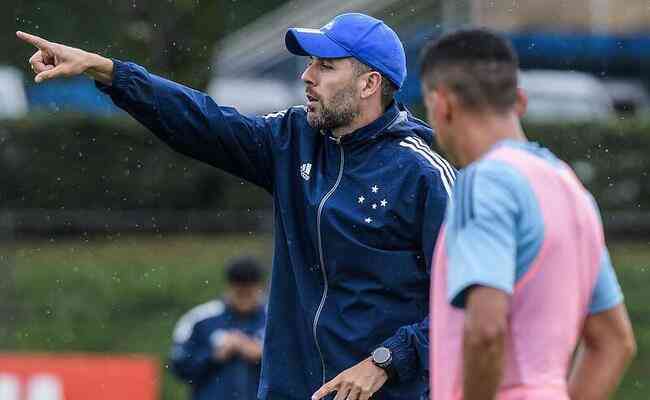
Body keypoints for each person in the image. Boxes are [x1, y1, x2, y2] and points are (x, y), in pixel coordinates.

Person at [17, 12, 454, 400]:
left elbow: (464, 304)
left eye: (325, 65)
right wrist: (107, 71)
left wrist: (384, 360)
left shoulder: (422, 172)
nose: (308, 76)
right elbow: (202, 121)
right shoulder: (291, 140)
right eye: (309, 63)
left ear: (369, 83)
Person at [419, 28, 636, 400]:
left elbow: (486, 330)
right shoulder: (571, 188)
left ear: (442, 105)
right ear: (519, 100)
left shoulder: (482, 181)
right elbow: (614, 343)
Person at [170, 257, 266, 400]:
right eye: (240, 294)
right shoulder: (200, 319)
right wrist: (213, 356)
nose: (245, 300)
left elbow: (296, 365)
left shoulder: (275, 321)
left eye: (249, 294)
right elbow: (178, 365)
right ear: (229, 288)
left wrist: (266, 357)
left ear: (260, 289)